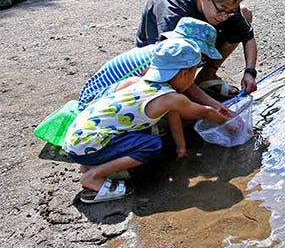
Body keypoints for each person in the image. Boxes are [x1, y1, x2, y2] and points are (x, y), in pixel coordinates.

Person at [63, 39, 232, 204]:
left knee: (136, 133)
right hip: (88, 145)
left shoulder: (141, 83)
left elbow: (173, 114)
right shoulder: (172, 97)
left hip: (77, 136)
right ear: (184, 73)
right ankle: (94, 177)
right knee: (151, 145)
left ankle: (90, 166)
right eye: (194, 72)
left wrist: (181, 149)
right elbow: (206, 112)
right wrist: (231, 124)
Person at [135, 0, 258, 100]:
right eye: (221, 9)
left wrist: (250, 72)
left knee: (244, 13)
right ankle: (185, 90)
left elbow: (248, 37)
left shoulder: (224, 5)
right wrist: (212, 107)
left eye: (230, 11)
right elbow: (170, 62)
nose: (225, 16)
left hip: (192, 45)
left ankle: (206, 76)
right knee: (179, 98)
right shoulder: (173, 9)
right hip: (160, 59)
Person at [77, 17, 230, 117]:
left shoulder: (164, 52)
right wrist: (213, 109)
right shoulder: (163, 60)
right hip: (92, 103)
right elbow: (187, 90)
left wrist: (215, 106)